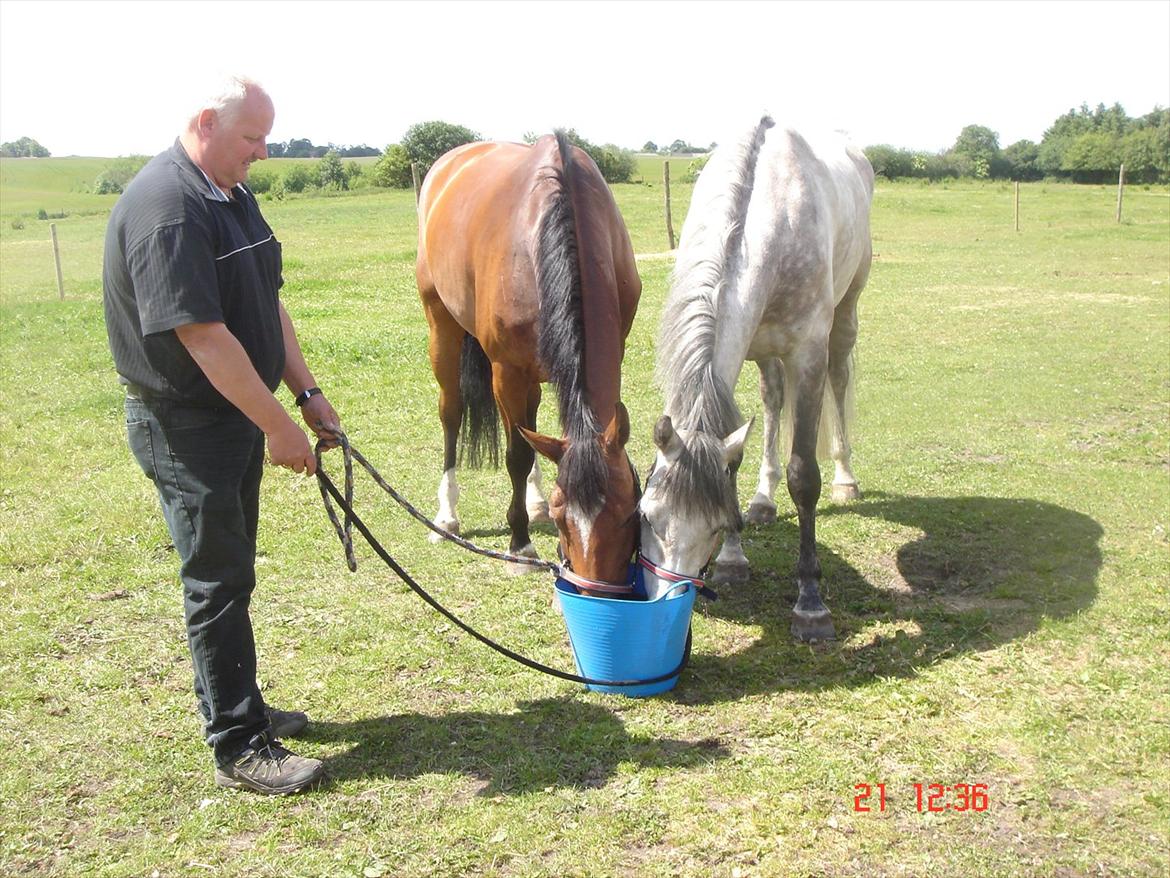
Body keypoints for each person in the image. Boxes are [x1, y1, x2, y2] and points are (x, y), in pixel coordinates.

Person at [103, 74, 339, 795]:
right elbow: (203, 337)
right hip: (188, 424)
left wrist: (307, 394)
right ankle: (239, 744)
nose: (262, 153)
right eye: (251, 138)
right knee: (216, 578)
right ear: (206, 122)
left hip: (235, 415)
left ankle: (240, 706)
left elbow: (265, 303)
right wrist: (277, 426)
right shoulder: (169, 207)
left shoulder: (230, 195)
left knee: (232, 570)